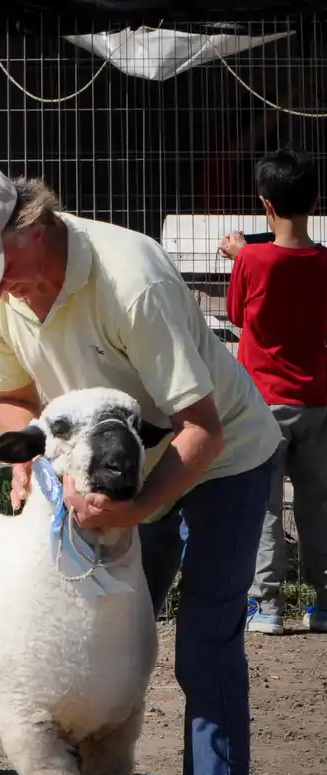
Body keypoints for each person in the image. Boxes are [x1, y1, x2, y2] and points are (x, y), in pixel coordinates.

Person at [0, 166, 280, 775]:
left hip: (217, 463)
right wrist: (29, 467)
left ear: (32, 227)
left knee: (204, 653)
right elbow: (13, 393)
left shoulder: (130, 277)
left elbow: (201, 427)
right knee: (67, 648)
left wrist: (139, 508)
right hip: (102, 475)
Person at [216, 148, 327, 636]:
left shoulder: (253, 260)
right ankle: (323, 604)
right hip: (318, 398)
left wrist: (240, 254)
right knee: (316, 503)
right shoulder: (324, 261)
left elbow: (237, 315)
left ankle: (267, 606)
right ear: (315, 200)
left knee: (264, 506)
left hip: (263, 400)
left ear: (265, 204)